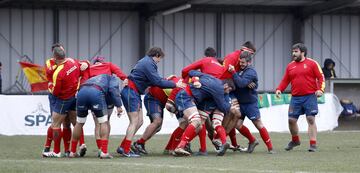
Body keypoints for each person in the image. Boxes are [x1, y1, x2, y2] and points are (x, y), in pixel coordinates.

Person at [116, 47, 185, 157]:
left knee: (139, 122)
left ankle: (123, 147)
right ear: (157, 55)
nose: (159, 61)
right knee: (134, 122)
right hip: (131, 91)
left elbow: (151, 79)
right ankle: (126, 150)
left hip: (134, 92)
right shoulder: (149, 63)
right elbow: (157, 81)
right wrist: (175, 84)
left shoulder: (145, 62)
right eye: (159, 59)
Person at [275, 43, 325, 152]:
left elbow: (321, 77)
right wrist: (279, 89)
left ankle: (313, 144)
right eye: (293, 51)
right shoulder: (290, 66)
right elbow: (285, 80)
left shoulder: (312, 63)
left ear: (302, 52)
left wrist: (320, 90)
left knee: (310, 118)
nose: (293, 54)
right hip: (296, 98)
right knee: (291, 120)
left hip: (310, 96)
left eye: (296, 51)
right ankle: (295, 140)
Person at [42, 44, 88, 157]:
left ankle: (57, 151)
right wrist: (87, 63)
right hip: (73, 96)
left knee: (56, 123)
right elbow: (81, 66)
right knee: (71, 123)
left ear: (55, 56)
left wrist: (49, 85)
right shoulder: (72, 61)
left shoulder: (60, 72)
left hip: (62, 98)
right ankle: (70, 150)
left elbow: (56, 91)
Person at [173, 70, 232, 157]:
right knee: (196, 121)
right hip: (186, 97)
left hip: (190, 98)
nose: (228, 92)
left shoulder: (208, 77)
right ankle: (180, 146)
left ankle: (182, 146)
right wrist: (230, 106)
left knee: (198, 124)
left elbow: (191, 72)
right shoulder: (219, 90)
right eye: (229, 90)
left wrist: (195, 79)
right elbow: (223, 107)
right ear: (226, 85)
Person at [228, 53, 274, 154]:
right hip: (241, 103)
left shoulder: (251, 72)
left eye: (243, 62)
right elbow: (240, 83)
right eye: (240, 62)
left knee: (258, 123)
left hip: (250, 104)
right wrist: (240, 79)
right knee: (237, 125)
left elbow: (240, 83)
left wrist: (235, 74)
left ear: (249, 62)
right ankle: (252, 140)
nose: (241, 64)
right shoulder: (240, 70)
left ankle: (270, 148)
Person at [69, 74, 123, 159]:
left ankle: (72, 151)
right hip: (96, 92)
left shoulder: (94, 78)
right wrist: (119, 105)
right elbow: (113, 90)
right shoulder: (113, 78)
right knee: (103, 122)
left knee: (79, 122)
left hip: (82, 92)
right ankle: (104, 152)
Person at [132, 75, 180, 155]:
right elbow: (170, 105)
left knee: (158, 127)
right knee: (157, 121)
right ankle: (139, 143)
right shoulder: (179, 87)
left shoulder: (181, 82)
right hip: (152, 98)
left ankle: (140, 143)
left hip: (161, 101)